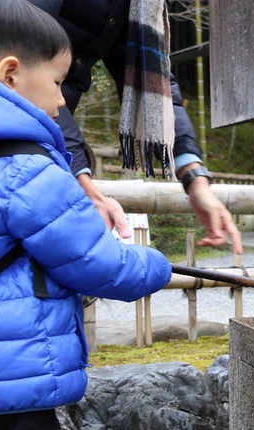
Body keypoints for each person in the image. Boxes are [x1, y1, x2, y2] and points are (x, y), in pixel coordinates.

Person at [0, 0, 172, 430]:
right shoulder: (23, 169)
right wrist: (156, 264)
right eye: (58, 82)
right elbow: (100, 263)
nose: (63, 102)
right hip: (9, 373)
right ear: (11, 73)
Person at [30, 0, 242, 255]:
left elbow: (153, 79)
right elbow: (25, 60)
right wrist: (82, 181)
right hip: (10, 125)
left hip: (49, 135)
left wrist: (195, 179)